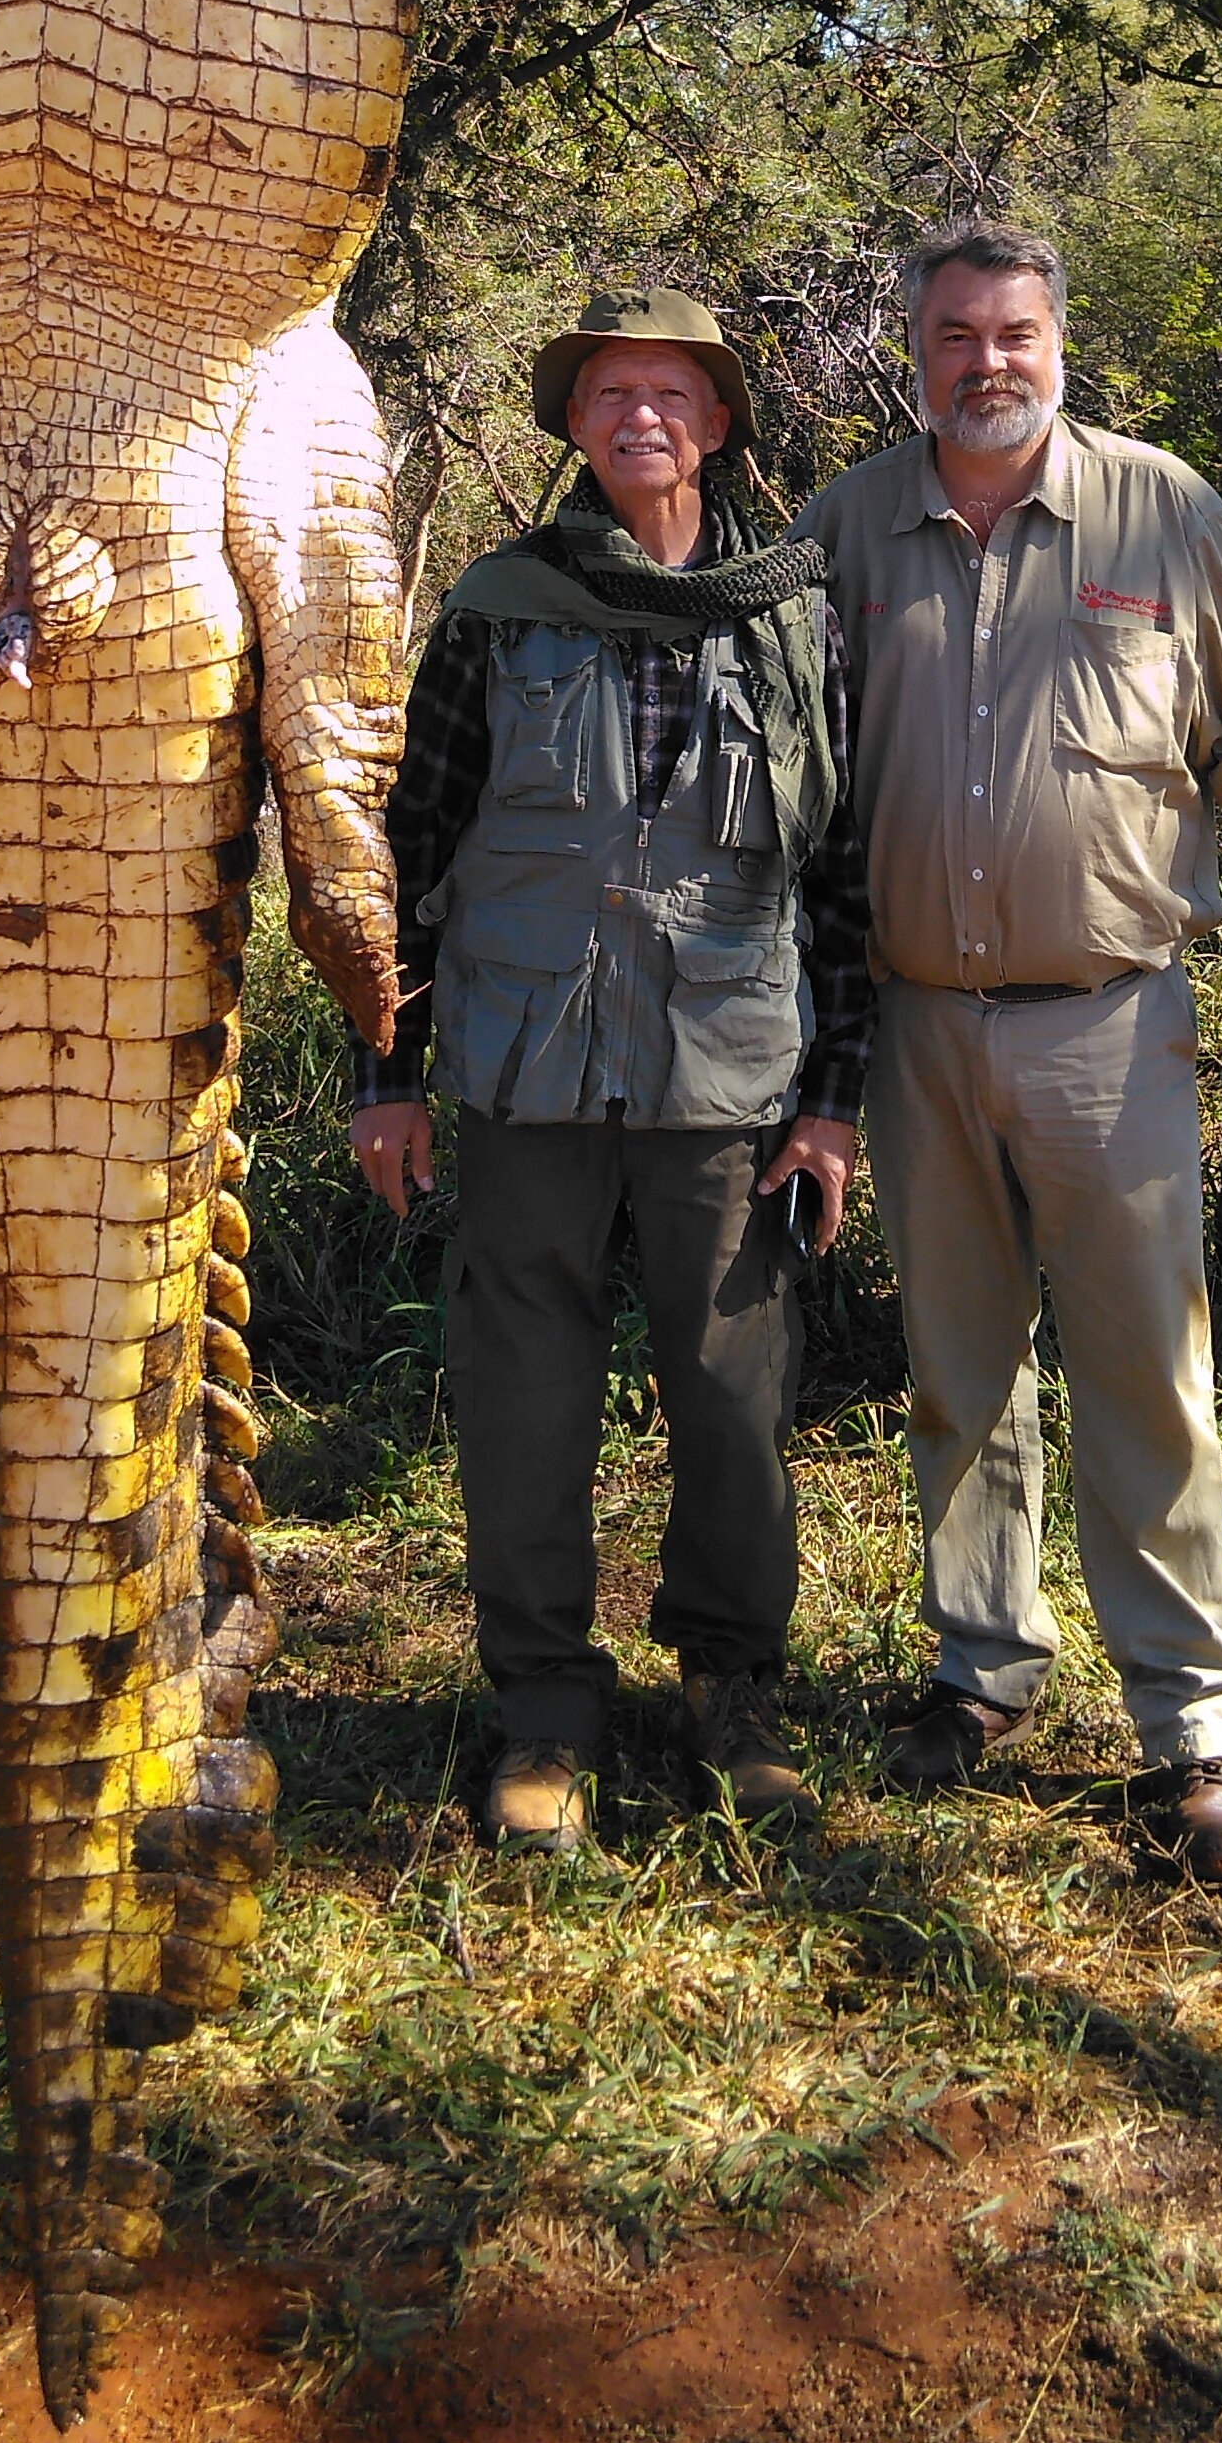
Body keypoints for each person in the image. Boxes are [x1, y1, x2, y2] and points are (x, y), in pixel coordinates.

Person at [797, 220, 1222, 1883]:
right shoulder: (846, 531)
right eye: (955, 336)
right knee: (957, 1372)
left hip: (1111, 1025)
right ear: (915, 347)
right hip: (911, 1031)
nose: (987, 363)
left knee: (1146, 1379)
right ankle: (983, 1670)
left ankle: (1192, 1732)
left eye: (1015, 333)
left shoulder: (1162, 513)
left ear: (1058, 336)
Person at [350, 287, 871, 1851]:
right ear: (572, 425)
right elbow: (407, 851)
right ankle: (541, 1713)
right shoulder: (500, 606)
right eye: (608, 393)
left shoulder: (796, 615)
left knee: (729, 1391)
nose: (639, 415)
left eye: (672, 394)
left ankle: (735, 1693)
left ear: (718, 425)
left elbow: (838, 871)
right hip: (526, 1071)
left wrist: (834, 1099)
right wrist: (387, 1070)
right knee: (523, 1397)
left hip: (730, 1080)